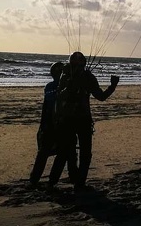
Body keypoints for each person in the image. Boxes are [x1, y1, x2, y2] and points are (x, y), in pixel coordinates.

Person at [48, 51, 119, 190]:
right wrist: (112, 86)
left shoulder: (82, 77)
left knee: (77, 152)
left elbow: (100, 96)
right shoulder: (70, 76)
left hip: (78, 120)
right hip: (72, 120)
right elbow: (60, 96)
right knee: (71, 152)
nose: (78, 68)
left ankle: (75, 181)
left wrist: (112, 86)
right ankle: (66, 180)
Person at [29, 61, 64, 186]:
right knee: (45, 153)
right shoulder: (50, 87)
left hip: (59, 124)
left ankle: (51, 181)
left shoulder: (56, 87)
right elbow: (50, 102)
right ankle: (35, 179)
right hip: (50, 124)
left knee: (60, 153)